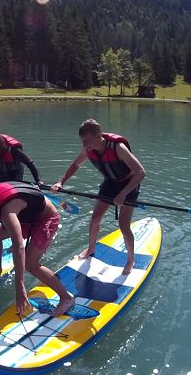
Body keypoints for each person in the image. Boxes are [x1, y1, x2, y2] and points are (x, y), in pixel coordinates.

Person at [0, 181, 74, 316]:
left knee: (30, 263)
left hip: (45, 219)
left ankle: (66, 298)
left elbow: (19, 247)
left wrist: (20, 288)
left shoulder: (6, 211)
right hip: (27, 217)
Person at [51, 118, 146, 275]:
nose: (84, 145)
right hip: (110, 183)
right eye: (82, 141)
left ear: (98, 135)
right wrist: (61, 182)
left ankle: (130, 260)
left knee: (123, 225)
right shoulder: (88, 149)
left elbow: (141, 172)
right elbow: (75, 165)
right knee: (95, 219)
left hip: (129, 184)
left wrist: (123, 194)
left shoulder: (118, 147)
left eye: (87, 141)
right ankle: (91, 249)